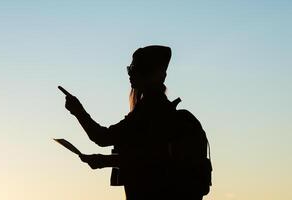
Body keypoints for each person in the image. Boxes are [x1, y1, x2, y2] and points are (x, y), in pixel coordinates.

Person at [60, 45, 206, 200]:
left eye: (134, 68)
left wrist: (78, 111)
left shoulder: (149, 112)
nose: (130, 73)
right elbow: (148, 158)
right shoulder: (159, 111)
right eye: (129, 68)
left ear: (146, 73)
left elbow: (104, 138)